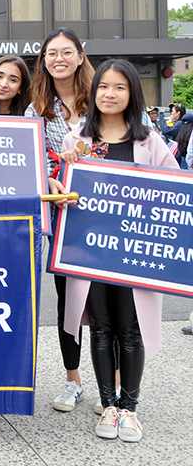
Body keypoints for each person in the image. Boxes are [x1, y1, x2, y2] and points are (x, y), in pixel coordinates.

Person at [58, 58, 177, 442]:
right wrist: (63, 184)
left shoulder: (149, 140)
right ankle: (107, 406)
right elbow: (61, 190)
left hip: (134, 254)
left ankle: (130, 409)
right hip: (91, 253)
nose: (110, 94)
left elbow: (175, 192)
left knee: (131, 329)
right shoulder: (76, 139)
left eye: (120, 87)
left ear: (132, 94)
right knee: (102, 328)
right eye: (103, 87)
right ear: (93, 94)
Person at [25, 27, 95, 413]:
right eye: (51, 53)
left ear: (80, 56)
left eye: (67, 52)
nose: (59, 59)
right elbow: (29, 156)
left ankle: (114, 385)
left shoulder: (101, 98)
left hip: (103, 216)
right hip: (62, 216)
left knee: (108, 299)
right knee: (68, 297)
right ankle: (73, 380)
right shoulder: (36, 108)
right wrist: (47, 175)